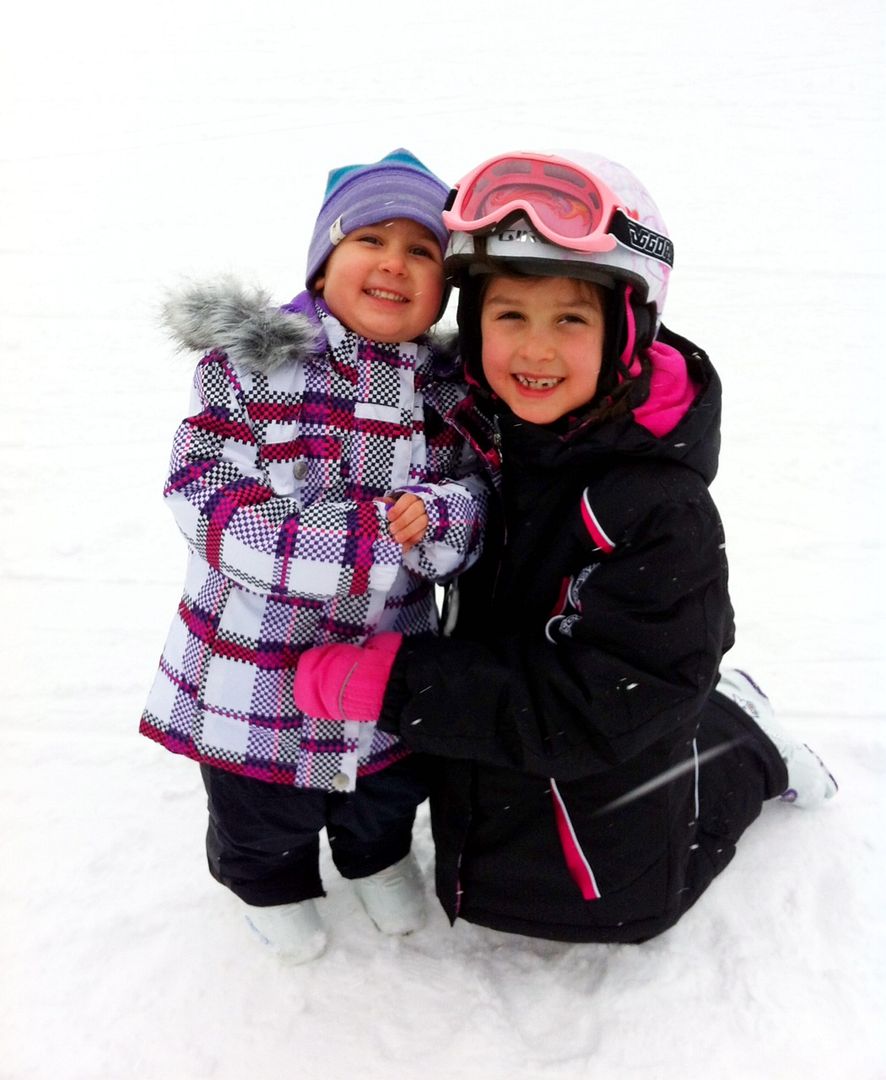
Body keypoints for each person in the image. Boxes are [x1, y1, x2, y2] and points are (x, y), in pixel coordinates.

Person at [293, 150, 838, 945]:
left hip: (609, 804)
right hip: (499, 767)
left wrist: (401, 685)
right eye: (510, 315)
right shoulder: (491, 435)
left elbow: (604, 699)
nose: (535, 350)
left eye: (570, 320)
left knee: (624, 900)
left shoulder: (658, 509)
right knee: (514, 862)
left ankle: (749, 742)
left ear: (626, 333)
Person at [140, 149, 487, 962]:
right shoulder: (248, 371)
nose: (394, 264)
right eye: (371, 239)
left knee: (386, 784)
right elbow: (206, 492)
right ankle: (270, 883)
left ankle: (377, 858)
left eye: (423, 250)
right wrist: (363, 539)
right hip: (252, 667)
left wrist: (437, 518)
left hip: (383, 659)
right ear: (326, 261)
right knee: (260, 804)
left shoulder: (446, 395)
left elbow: (477, 498)